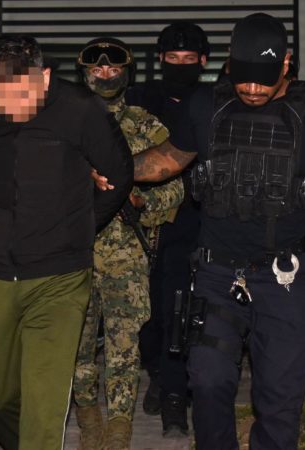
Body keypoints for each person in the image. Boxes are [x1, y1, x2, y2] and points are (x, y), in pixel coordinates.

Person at [122, 13, 305, 449]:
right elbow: (167, 160)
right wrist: (114, 169)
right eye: (244, 77)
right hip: (217, 275)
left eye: (264, 79)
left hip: (286, 278)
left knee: (280, 396)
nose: (252, 89)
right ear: (230, 64)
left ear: (286, 63)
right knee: (208, 381)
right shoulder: (207, 105)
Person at [0, 35, 133, 450]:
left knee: (43, 404)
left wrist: (79, 226)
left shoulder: (80, 109)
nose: (13, 103)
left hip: (59, 276)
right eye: (2, 93)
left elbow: (118, 175)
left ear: (44, 76)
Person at [71, 37, 183, 450]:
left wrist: (142, 200)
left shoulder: (146, 126)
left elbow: (176, 187)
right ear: (84, 74)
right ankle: (88, 420)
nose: (105, 74)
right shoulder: (63, 122)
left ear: (126, 73)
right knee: (77, 346)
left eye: (113, 68)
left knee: (124, 346)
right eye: (97, 68)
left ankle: (119, 428)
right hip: (72, 252)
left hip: (126, 256)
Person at [125, 21, 209, 434]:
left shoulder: (211, 101)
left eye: (188, 59)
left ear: (203, 61)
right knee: (145, 310)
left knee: (178, 305)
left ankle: (174, 390)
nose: (179, 65)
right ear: (160, 59)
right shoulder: (140, 98)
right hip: (139, 220)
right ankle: (158, 374)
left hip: (191, 219)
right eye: (172, 58)